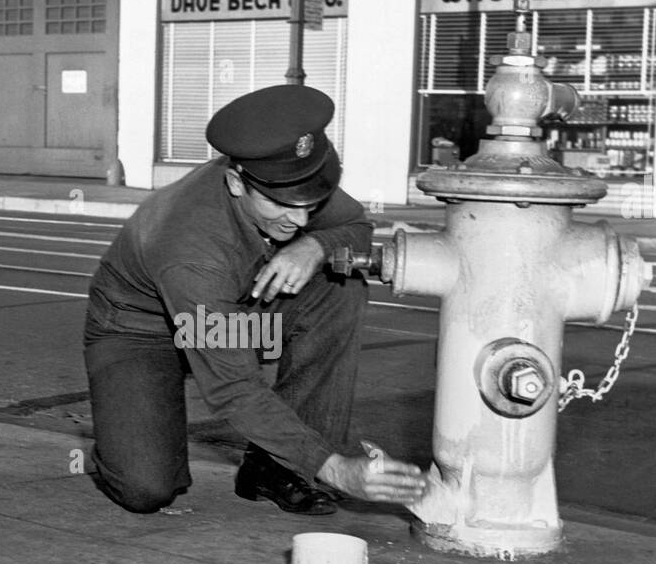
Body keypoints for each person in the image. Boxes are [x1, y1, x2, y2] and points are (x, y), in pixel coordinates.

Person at [83, 83, 427, 515]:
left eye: (310, 201)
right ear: (235, 183)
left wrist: (314, 247)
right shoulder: (192, 248)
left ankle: (276, 468)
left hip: (238, 314)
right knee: (146, 489)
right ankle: (123, 430)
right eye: (283, 205)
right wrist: (337, 469)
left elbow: (355, 224)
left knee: (341, 284)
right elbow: (233, 386)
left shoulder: (289, 180)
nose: (300, 218)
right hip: (144, 333)